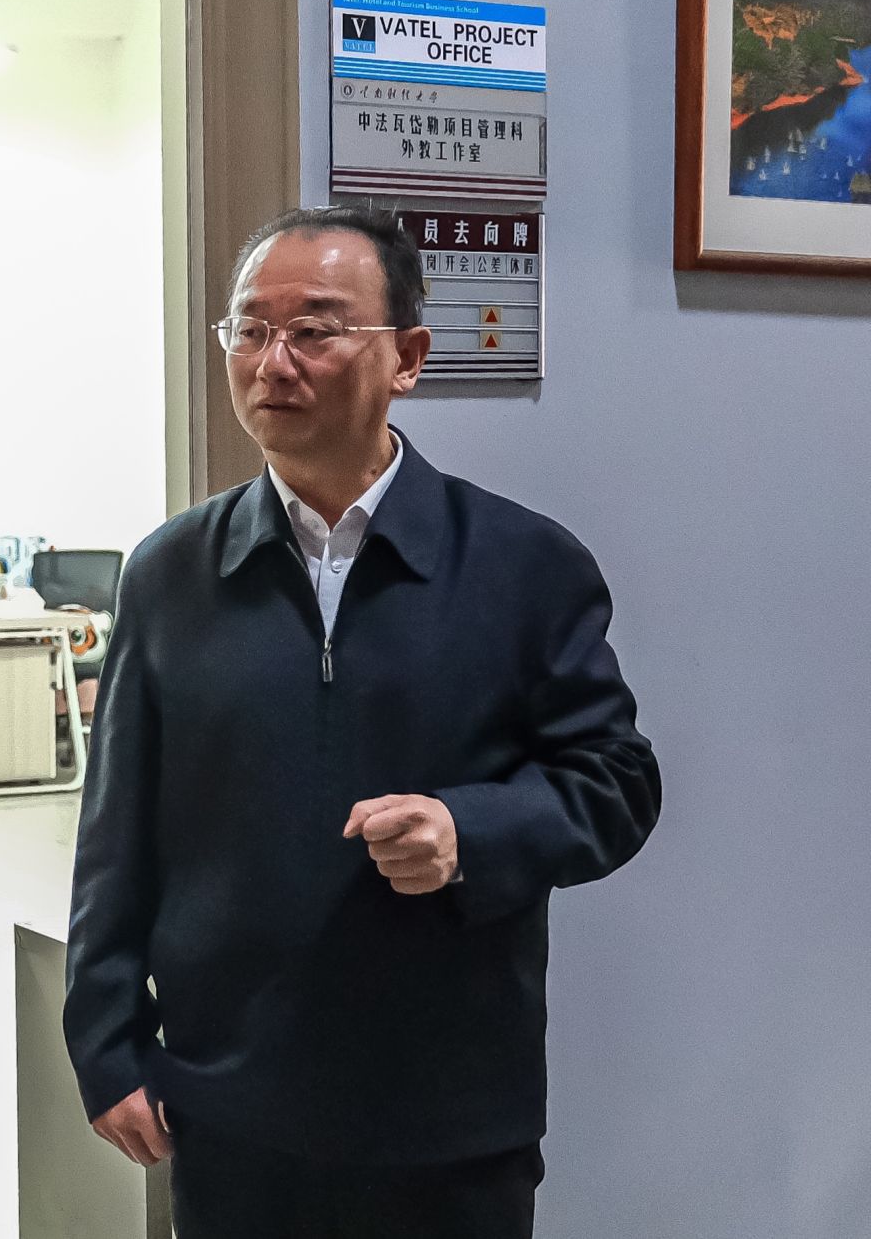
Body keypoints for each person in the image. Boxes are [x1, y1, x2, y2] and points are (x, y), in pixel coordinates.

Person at [63, 205, 661, 1239]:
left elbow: (616, 782)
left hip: (448, 1113)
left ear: (407, 358)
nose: (273, 362)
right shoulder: (171, 574)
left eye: (314, 330)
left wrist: (468, 830)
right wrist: (106, 1041)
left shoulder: (522, 565)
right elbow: (115, 833)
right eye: (250, 330)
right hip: (232, 1107)